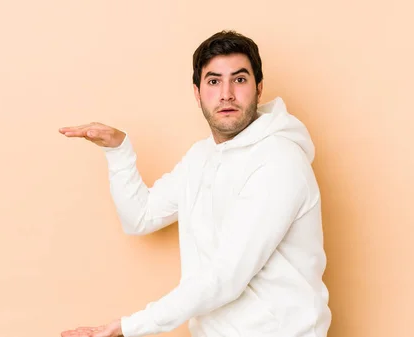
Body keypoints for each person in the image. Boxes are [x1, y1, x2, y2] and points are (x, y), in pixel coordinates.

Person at [58, 30, 332, 337]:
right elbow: (140, 218)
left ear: (259, 88)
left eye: (239, 79)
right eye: (214, 81)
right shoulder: (201, 158)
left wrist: (128, 327)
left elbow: (227, 275)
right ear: (197, 92)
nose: (226, 93)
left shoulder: (280, 161)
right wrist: (118, 150)